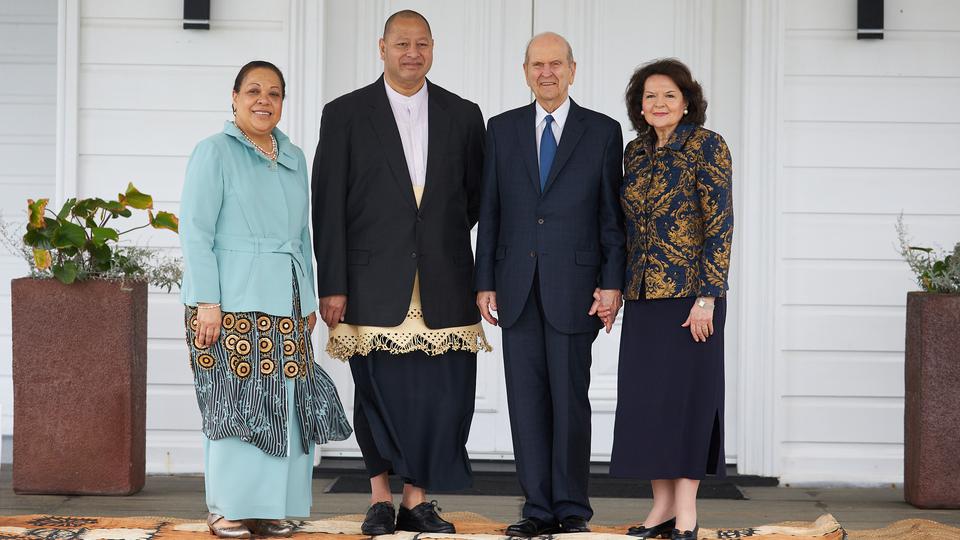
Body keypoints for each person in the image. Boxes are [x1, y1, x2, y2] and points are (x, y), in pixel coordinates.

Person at [311, 10, 488, 536]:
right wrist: (333, 284)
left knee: (440, 395)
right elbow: (328, 206)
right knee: (376, 392)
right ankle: (380, 499)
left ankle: (417, 500)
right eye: (402, 43)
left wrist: (430, 236)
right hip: (370, 280)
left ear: (433, 48)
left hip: (443, 277)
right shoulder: (344, 113)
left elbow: (473, 199)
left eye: (422, 44)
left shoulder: (463, 113)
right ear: (382, 47)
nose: (413, 53)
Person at [179, 60, 352, 538]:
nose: (263, 100)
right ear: (233, 98)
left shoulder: (294, 156)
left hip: (289, 301)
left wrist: (311, 297)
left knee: (287, 402)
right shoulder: (213, 152)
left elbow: (302, 235)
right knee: (235, 401)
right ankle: (228, 507)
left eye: (274, 93)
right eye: (253, 90)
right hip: (229, 301)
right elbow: (195, 233)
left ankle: (272, 507)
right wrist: (206, 301)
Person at [474, 32, 626, 537]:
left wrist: (612, 284)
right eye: (537, 64)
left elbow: (611, 217)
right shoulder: (502, 129)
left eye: (555, 64)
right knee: (526, 402)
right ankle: (536, 508)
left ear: (573, 69)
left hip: (576, 288)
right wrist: (485, 281)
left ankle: (571, 507)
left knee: (570, 400)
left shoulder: (602, 132)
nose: (546, 72)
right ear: (525, 71)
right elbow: (490, 211)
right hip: (515, 287)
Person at [607, 58, 733, 540]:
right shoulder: (635, 152)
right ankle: (659, 509)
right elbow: (625, 228)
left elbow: (720, 224)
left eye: (669, 96)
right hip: (643, 296)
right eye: (649, 97)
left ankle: (686, 514)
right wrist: (616, 289)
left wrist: (707, 298)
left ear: (686, 101)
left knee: (686, 405)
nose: (658, 104)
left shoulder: (706, 146)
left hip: (690, 300)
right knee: (648, 405)